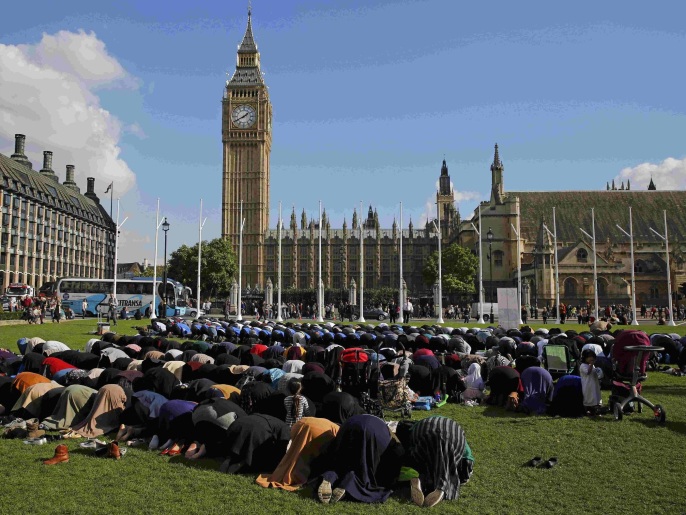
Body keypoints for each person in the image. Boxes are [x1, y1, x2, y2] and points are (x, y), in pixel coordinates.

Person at [579, 348, 603, 415]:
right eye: (589, 357)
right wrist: (591, 365)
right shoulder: (583, 366)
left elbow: (594, 372)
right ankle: (588, 408)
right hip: (588, 385)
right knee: (589, 396)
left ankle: (596, 407)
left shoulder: (592, 366)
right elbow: (587, 372)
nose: (591, 359)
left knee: (595, 394)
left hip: (594, 383)